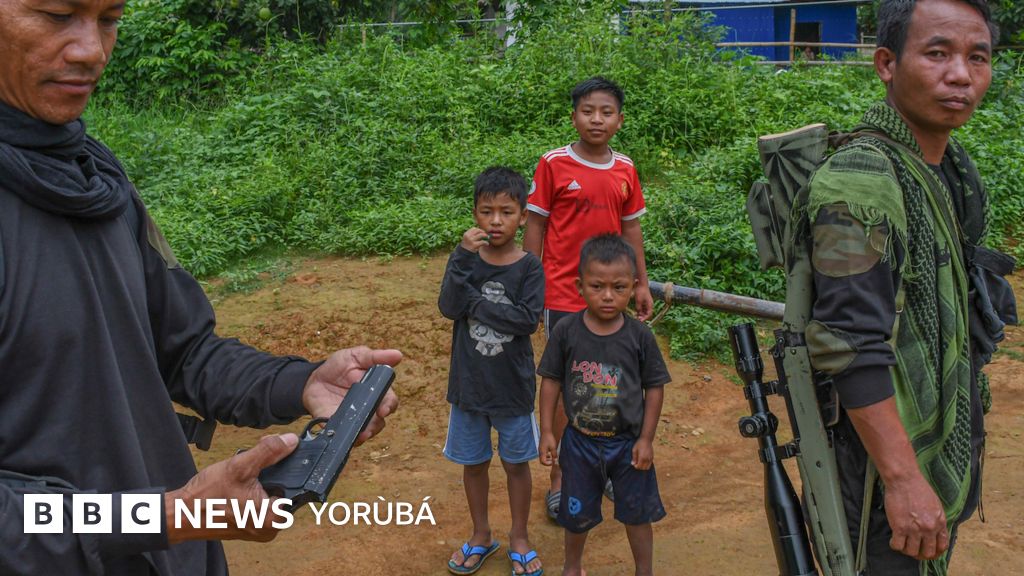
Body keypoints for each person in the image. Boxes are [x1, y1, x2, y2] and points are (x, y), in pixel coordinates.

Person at [0, 1, 399, 574]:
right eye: (56, 14)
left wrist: (301, 382)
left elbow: (185, 350)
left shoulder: (97, 180)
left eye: (109, 18)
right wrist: (163, 517)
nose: (92, 51)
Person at [802, 1, 1011, 573]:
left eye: (977, 58)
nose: (961, 75)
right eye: (937, 53)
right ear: (887, 63)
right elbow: (849, 343)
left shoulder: (948, 170)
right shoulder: (861, 181)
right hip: (877, 471)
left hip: (931, 445)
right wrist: (903, 481)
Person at [523, 76, 655, 520]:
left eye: (606, 112)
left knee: (610, 379)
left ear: (620, 120)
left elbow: (631, 228)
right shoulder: (553, 164)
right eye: (587, 111)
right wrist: (530, 284)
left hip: (611, 296)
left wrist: (640, 283)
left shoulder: (625, 170)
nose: (596, 119)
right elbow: (536, 225)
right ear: (574, 116)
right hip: (563, 293)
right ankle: (562, 477)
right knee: (567, 385)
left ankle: (608, 466)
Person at [537, 233, 670, 576]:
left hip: (628, 445)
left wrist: (646, 439)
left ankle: (644, 571)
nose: (608, 296)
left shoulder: (640, 337)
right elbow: (550, 381)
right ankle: (572, 568)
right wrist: (548, 431)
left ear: (633, 287)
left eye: (619, 287)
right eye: (597, 286)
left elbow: (655, 387)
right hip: (579, 443)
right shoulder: (566, 332)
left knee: (637, 514)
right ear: (580, 286)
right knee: (575, 515)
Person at [438, 167, 545, 576]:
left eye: (506, 212)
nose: (495, 221)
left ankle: (520, 537)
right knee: (475, 463)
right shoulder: (465, 261)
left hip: (513, 388)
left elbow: (526, 320)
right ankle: (481, 534)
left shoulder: (529, 267)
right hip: (469, 386)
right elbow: (449, 306)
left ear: (523, 217)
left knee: (517, 465)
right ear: (475, 214)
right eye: (486, 212)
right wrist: (462, 258)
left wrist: (476, 305)